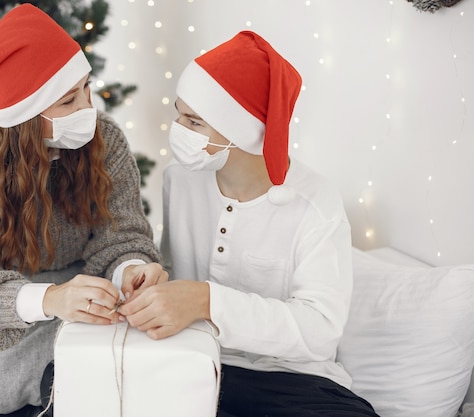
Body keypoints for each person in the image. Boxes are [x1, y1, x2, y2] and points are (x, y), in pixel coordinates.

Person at [0, 4, 166, 417]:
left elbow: (123, 236)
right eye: (69, 100)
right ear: (23, 116)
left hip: (90, 300)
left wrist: (130, 270)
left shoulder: (105, 140)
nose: (88, 109)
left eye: (87, 88)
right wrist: (49, 299)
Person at [117, 31, 380, 417]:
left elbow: (320, 332)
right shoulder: (182, 178)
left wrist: (208, 301)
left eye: (194, 121)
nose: (178, 130)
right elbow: (175, 270)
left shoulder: (316, 204)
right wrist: (154, 278)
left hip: (294, 382)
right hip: (194, 365)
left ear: (244, 132)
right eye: (180, 114)